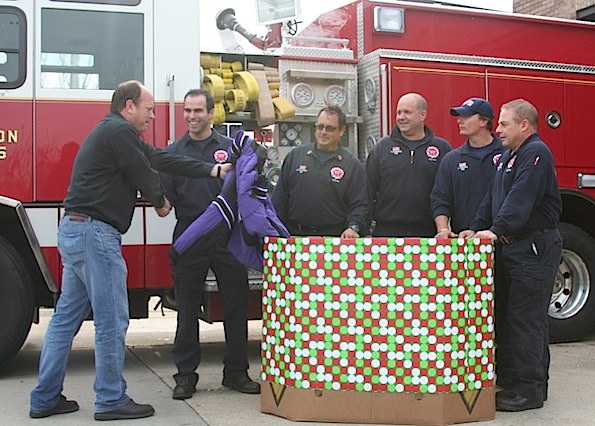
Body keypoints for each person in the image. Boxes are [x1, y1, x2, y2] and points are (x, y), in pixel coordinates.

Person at [29, 80, 230, 421]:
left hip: (75, 230)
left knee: (64, 321)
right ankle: (110, 399)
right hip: (96, 235)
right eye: (149, 109)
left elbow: (162, 159)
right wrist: (162, 201)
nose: (153, 115)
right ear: (129, 106)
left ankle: (45, 398)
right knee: (112, 320)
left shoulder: (117, 135)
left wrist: (213, 169)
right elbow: (144, 174)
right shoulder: (118, 133)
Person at [460, 99, 562, 412]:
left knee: (525, 319)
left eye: (504, 124)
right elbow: (493, 198)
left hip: (532, 247)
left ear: (524, 125)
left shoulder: (536, 153)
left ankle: (529, 391)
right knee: (505, 316)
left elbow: (521, 199)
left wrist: (497, 229)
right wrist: (476, 227)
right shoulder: (509, 156)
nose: (498, 129)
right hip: (510, 247)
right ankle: (512, 379)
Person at [159, 89, 260, 400]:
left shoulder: (230, 149)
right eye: (187, 111)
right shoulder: (174, 151)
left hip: (227, 234)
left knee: (235, 304)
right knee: (187, 308)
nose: (192, 116)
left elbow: (247, 187)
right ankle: (185, 376)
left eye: (198, 111)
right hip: (190, 231)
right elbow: (168, 196)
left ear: (212, 113)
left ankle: (236, 372)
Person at [271, 105, 368, 237]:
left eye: (330, 128)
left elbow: (359, 203)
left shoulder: (352, 165)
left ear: (341, 131)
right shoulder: (295, 156)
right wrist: (276, 229)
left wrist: (353, 227)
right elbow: (279, 199)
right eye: (320, 126)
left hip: (335, 240)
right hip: (295, 237)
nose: (323, 132)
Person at [366, 93, 451, 237]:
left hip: (428, 234)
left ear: (422, 115)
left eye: (407, 112)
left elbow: (448, 193)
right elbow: (367, 191)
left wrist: (443, 229)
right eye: (399, 112)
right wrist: (364, 230)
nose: (401, 117)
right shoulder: (382, 148)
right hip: (387, 233)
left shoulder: (442, 149)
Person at [430, 97, 505, 237]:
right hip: (466, 242)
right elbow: (440, 199)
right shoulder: (451, 160)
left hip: (504, 239)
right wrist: (443, 230)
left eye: (467, 116)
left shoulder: (507, 154)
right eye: (459, 116)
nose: (459, 120)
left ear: (484, 121)